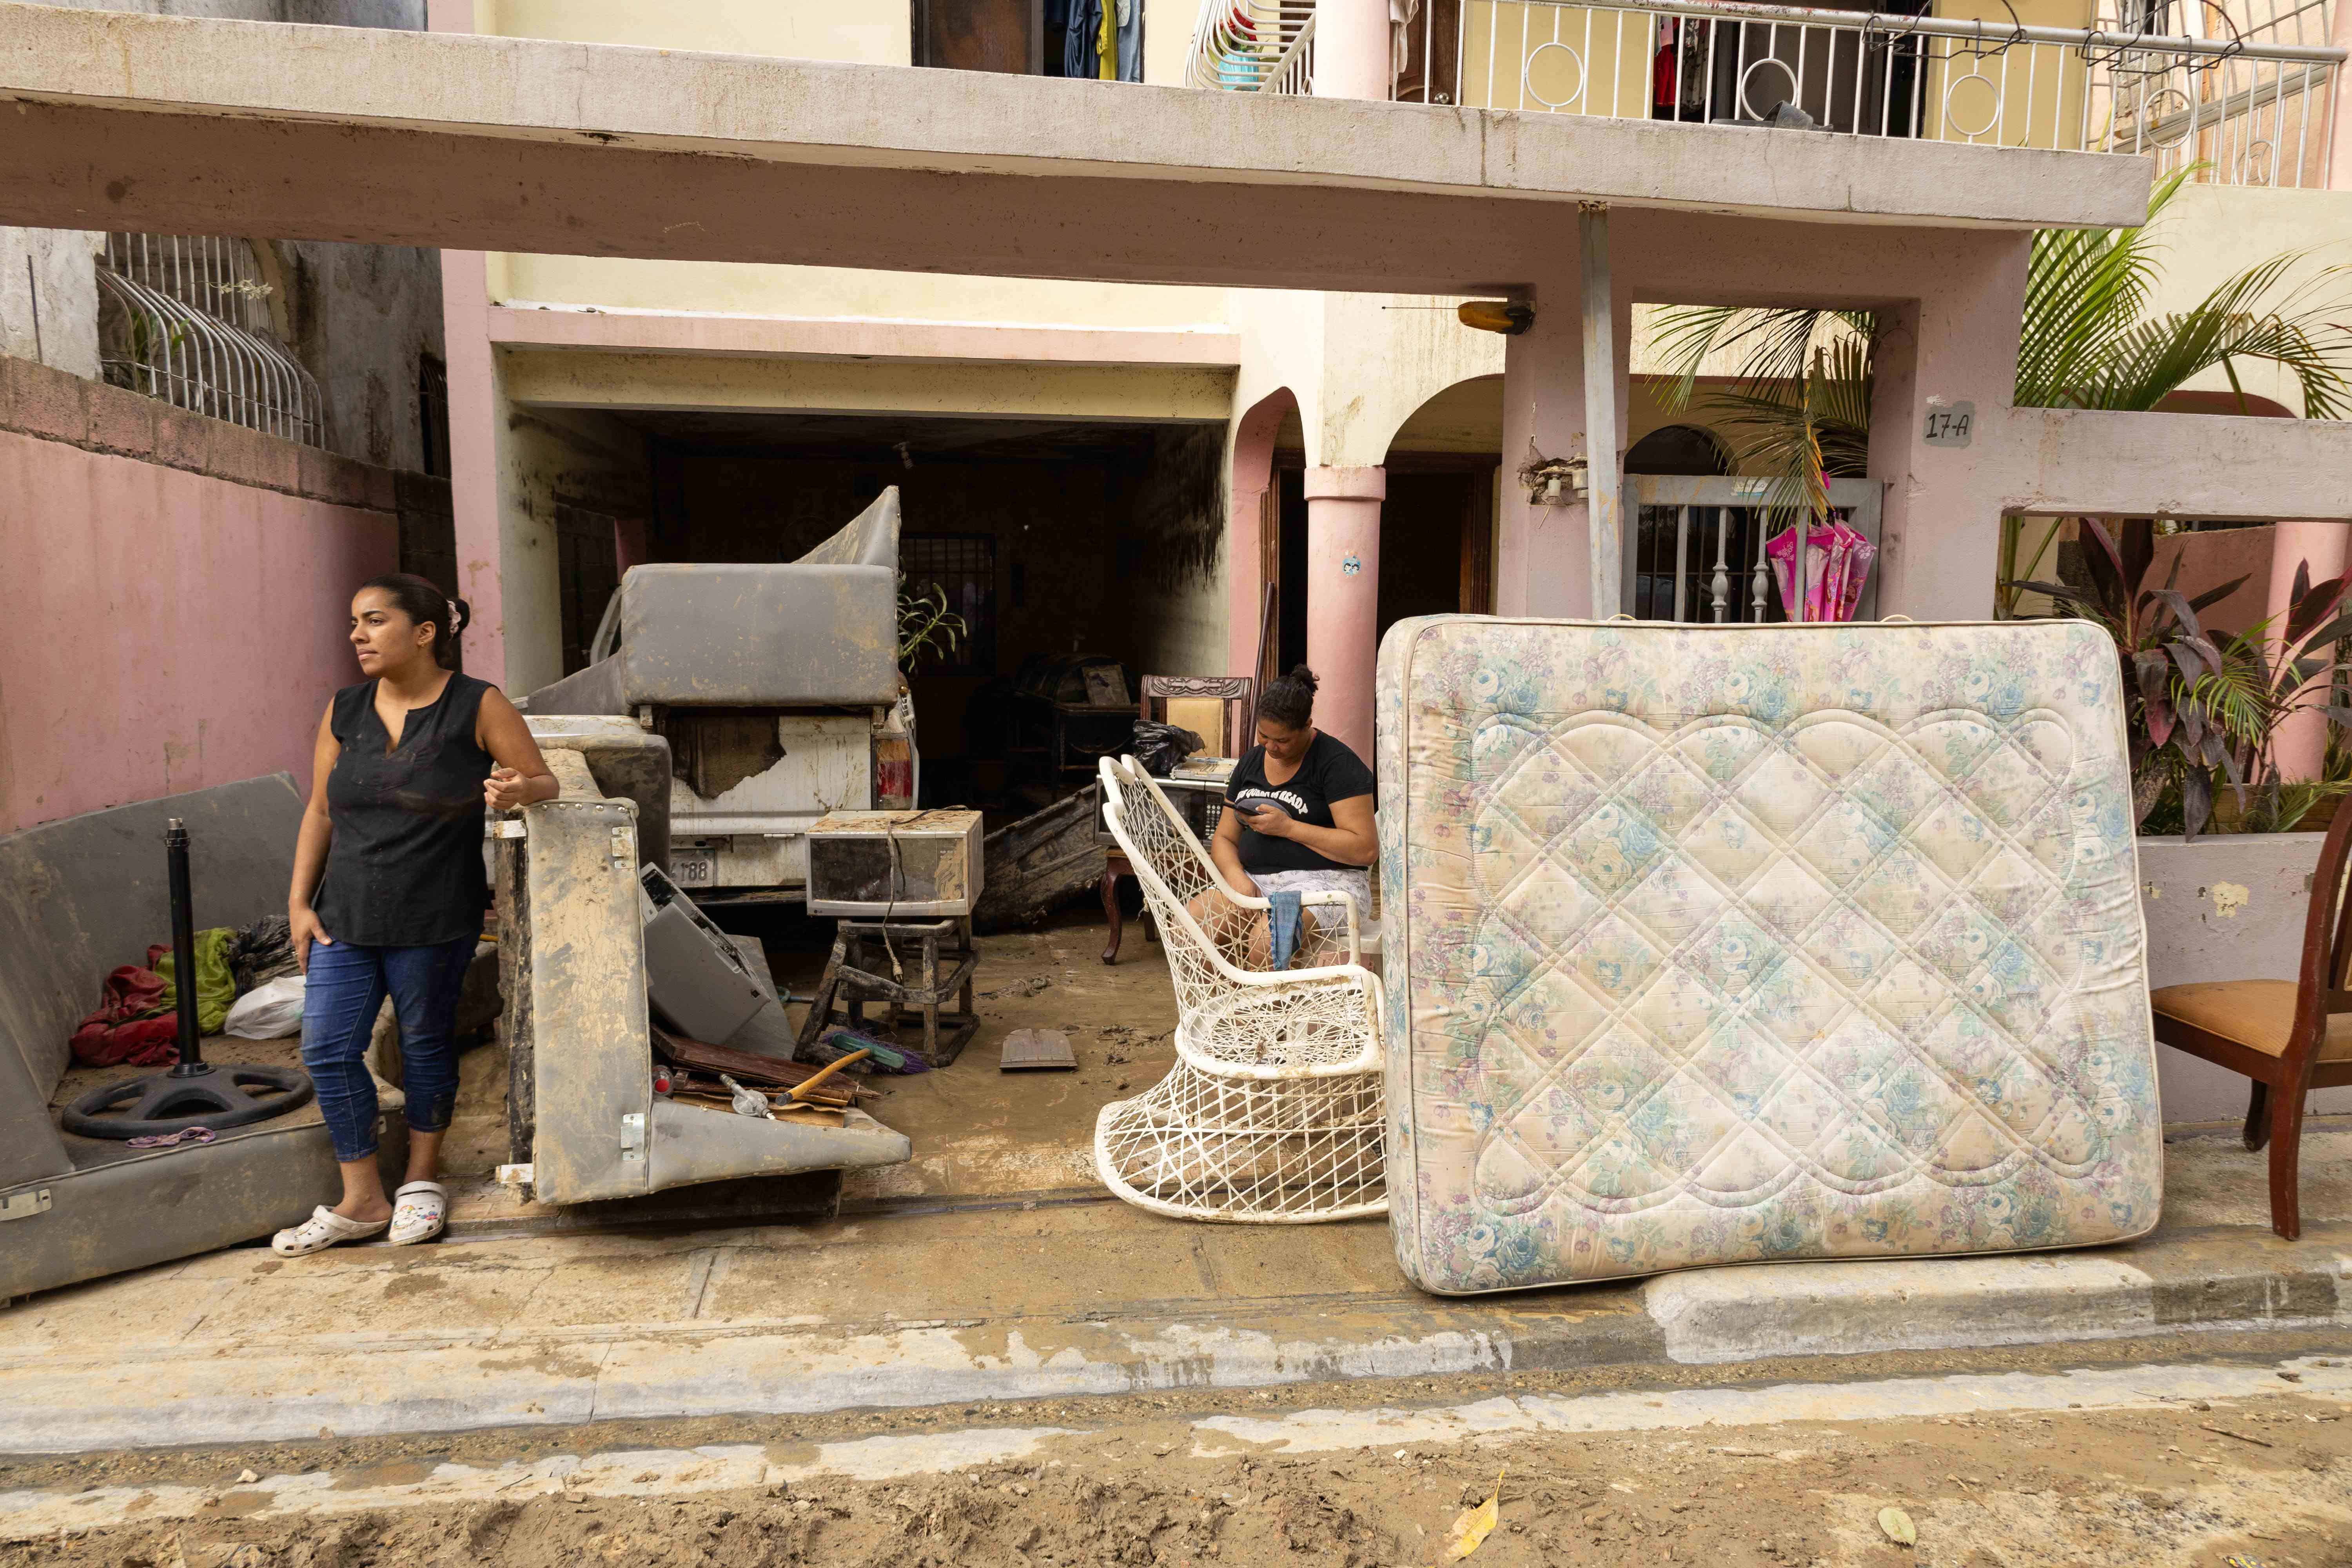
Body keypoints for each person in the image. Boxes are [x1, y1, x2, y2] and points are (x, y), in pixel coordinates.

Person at [274, 574, 559, 1256]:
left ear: (425, 633)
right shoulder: (344, 710)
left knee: (427, 1043)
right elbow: (320, 809)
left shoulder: (476, 704)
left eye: (373, 622)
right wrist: (298, 903)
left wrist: (518, 792)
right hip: (345, 913)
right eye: (354, 624)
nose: (357, 637)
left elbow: (543, 781)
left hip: (437, 913)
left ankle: (423, 1181)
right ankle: (362, 1197)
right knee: (326, 1048)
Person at [1204, 666, 1376, 965]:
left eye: (1282, 741)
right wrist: (1236, 880)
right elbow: (1224, 837)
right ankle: (1227, 1009)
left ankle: (1269, 1010)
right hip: (1254, 880)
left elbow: (1365, 849)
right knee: (1197, 927)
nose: (1271, 747)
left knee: (1267, 942)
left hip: (1328, 884)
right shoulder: (1252, 761)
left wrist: (1288, 828)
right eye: (1264, 736)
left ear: (1307, 725)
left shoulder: (1338, 764)